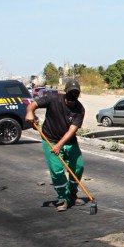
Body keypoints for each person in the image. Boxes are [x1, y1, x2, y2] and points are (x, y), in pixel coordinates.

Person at [26, 78, 86, 212]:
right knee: (57, 170)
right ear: (65, 91)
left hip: (69, 142)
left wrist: (59, 145)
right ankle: (63, 198)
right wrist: (30, 112)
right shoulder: (53, 99)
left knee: (78, 167)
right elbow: (33, 104)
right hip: (50, 139)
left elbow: (72, 130)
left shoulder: (79, 110)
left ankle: (72, 194)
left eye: (76, 93)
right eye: (71, 93)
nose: (73, 96)